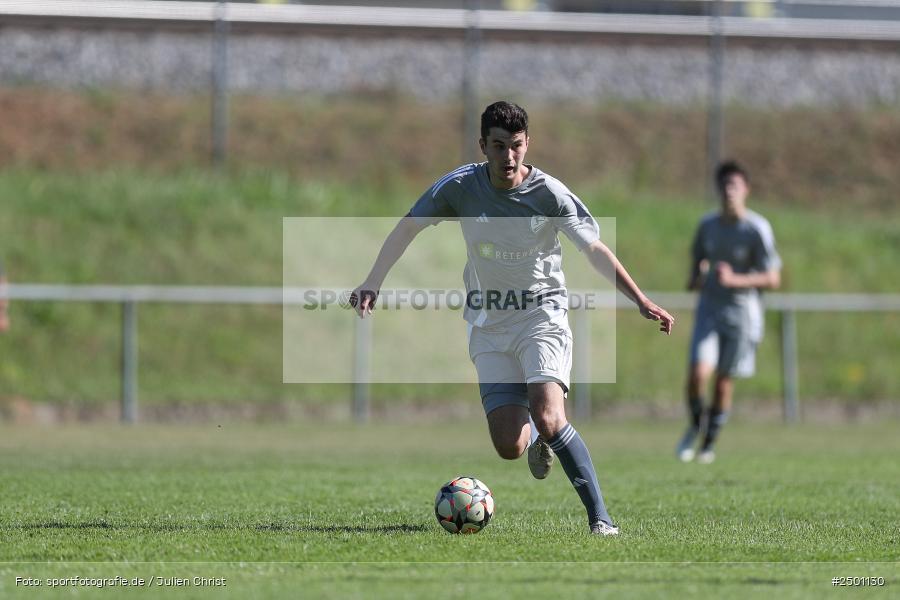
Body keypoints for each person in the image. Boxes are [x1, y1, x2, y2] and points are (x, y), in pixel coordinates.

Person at [352, 101, 674, 535]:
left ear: (527, 144)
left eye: (516, 146)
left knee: (549, 416)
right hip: (489, 323)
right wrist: (373, 280)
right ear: (483, 145)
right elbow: (409, 225)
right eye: (499, 146)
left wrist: (639, 298)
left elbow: (594, 248)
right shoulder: (460, 187)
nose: (509, 156)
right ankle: (541, 437)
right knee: (509, 446)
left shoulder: (549, 194)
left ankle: (601, 518)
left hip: (542, 315)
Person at [676, 160, 781, 464]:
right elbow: (695, 272)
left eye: (734, 185)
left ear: (746, 190)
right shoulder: (707, 226)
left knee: (723, 382)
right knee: (697, 374)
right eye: (723, 185)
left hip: (742, 313)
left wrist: (736, 279)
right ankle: (696, 425)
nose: (728, 191)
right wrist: (697, 277)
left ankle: (708, 444)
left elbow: (772, 278)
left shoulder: (756, 228)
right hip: (709, 308)